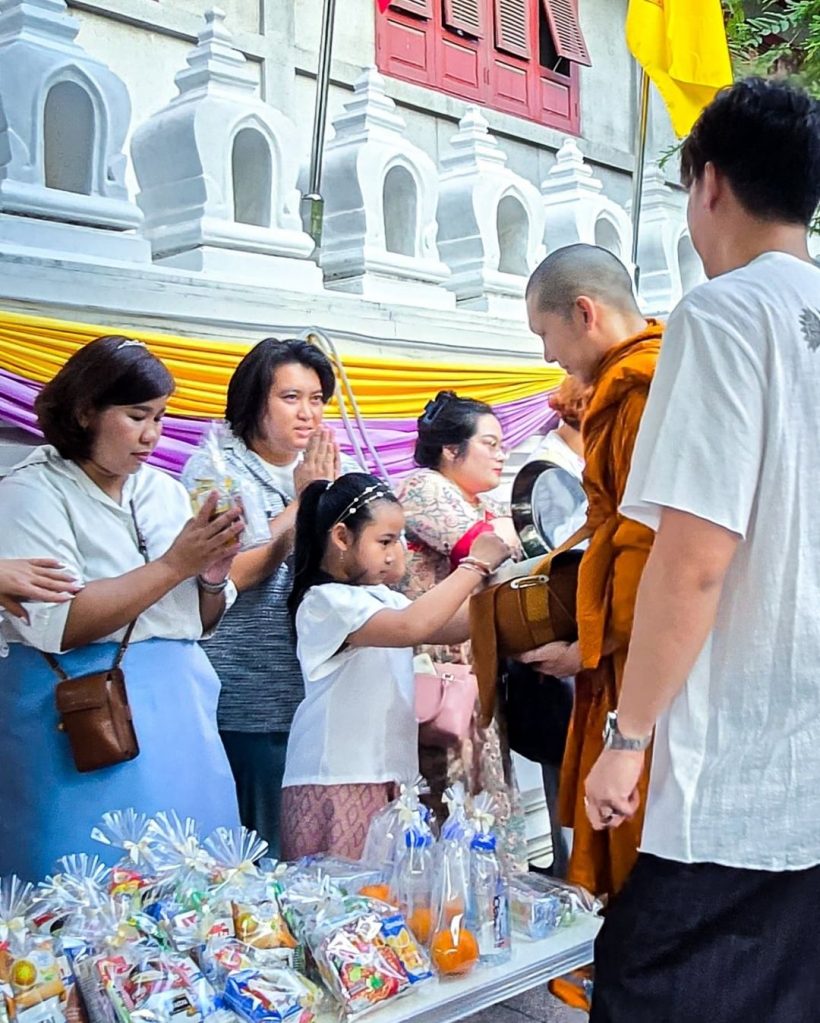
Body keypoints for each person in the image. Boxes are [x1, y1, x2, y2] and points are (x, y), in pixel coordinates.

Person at [583, 79, 820, 1023]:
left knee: (653, 985)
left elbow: (694, 557)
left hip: (741, 762)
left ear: (708, 184)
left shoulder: (723, 315)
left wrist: (627, 735)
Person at [0, 335, 242, 880]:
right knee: (92, 887)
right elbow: (60, 623)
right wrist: (176, 565)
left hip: (179, 704)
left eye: (159, 417)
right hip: (80, 710)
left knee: (198, 884)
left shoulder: (160, 489)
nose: (153, 435)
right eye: (137, 417)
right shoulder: (30, 491)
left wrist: (210, 577)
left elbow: (197, 622)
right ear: (86, 412)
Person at [523, 244, 663, 1008]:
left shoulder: (643, 389)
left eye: (547, 338)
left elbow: (647, 542)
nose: (548, 360)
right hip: (620, 636)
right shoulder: (623, 383)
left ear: (585, 312)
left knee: (640, 834)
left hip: (639, 654)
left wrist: (596, 642)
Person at [181, 338, 358, 856]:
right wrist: (306, 502)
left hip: (319, 689)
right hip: (252, 696)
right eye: (290, 398)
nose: (309, 413)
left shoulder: (321, 465)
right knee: (261, 852)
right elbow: (230, 575)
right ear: (253, 400)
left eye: (318, 398)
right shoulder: (217, 471)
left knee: (317, 849)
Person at [279, 472, 510, 861]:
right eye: (384, 540)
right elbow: (413, 626)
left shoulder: (380, 597)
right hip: (339, 779)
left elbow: (455, 624)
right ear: (341, 537)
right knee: (345, 908)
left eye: (398, 540)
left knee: (387, 906)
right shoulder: (324, 601)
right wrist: (474, 566)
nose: (394, 552)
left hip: (389, 777)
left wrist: (506, 585)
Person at [395, 391, 528, 872]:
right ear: (451, 450)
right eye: (489, 444)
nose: (502, 453)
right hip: (439, 675)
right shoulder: (424, 488)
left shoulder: (481, 501)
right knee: (449, 803)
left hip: (478, 672)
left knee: (490, 796)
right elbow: (490, 548)